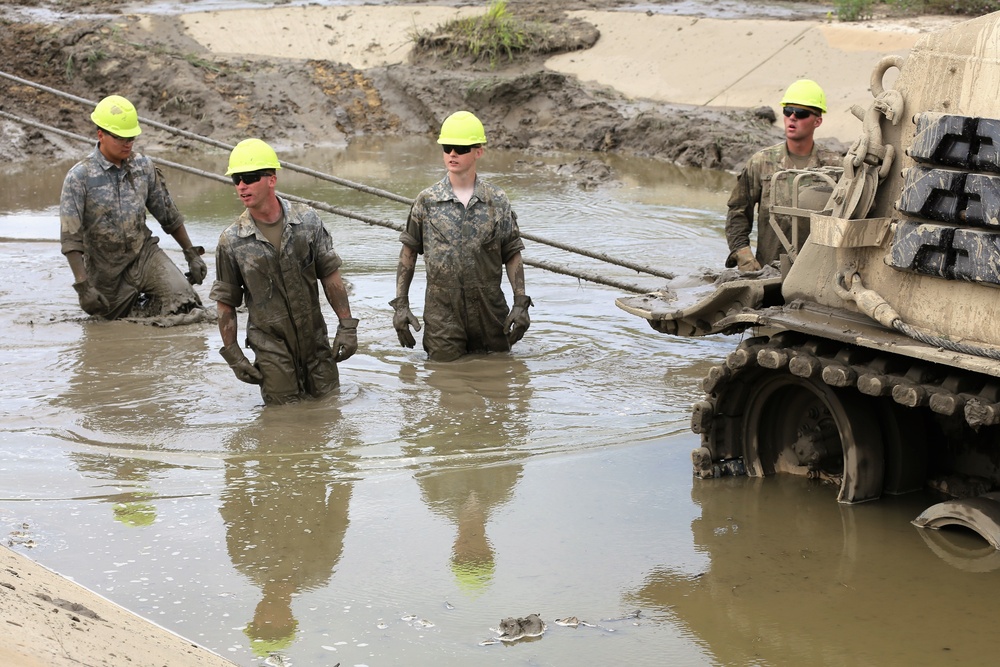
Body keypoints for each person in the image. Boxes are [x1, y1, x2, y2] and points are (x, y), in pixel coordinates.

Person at [210, 138, 357, 405]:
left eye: (250, 178)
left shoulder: (307, 221)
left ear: (271, 179)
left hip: (316, 342)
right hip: (270, 348)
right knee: (283, 415)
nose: (241, 186)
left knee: (331, 407)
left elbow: (330, 275)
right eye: (236, 180)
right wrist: (232, 353)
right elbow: (225, 302)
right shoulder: (232, 241)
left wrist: (347, 325)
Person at [391, 110, 531, 361]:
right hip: (442, 314)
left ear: (478, 151)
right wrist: (401, 305)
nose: (452, 154)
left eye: (461, 148)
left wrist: (520, 303)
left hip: (490, 312)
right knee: (445, 381)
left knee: (499, 379)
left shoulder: (496, 201)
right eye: (447, 147)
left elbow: (512, 253)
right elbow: (408, 253)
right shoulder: (427, 201)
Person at [60, 95, 208, 320]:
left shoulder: (144, 167)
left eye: (131, 137)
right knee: (107, 324)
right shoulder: (79, 177)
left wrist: (191, 254)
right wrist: (83, 287)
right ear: (101, 135)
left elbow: (168, 215)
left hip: (144, 256)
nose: (128, 143)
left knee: (184, 303)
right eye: (121, 138)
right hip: (105, 269)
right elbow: (71, 239)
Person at [725, 79, 842, 272]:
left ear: (817, 121)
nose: (792, 118)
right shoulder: (761, 162)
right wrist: (743, 254)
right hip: (769, 269)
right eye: (788, 111)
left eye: (801, 113)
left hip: (815, 271)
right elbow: (738, 211)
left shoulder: (834, 167)